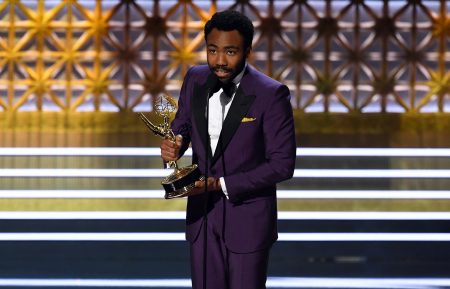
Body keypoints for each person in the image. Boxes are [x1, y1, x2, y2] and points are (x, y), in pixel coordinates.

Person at [160, 10, 296, 289]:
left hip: (248, 222)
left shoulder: (272, 94)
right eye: (212, 50)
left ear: (247, 50)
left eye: (230, 51)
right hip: (202, 221)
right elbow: (182, 126)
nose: (220, 60)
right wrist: (175, 145)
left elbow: (282, 164)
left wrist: (220, 183)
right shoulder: (194, 79)